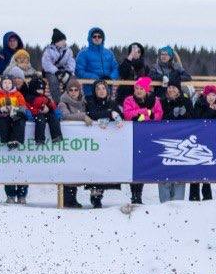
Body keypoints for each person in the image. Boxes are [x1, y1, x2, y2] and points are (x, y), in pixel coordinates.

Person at [122, 76, 162, 205]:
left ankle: (138, 194)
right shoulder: (129, 99)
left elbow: (158, 115)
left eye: (141, 88)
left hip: (148, 136)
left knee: (142, 165)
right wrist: (146, 112)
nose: (138, 91)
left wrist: (140, 116)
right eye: (136, 88)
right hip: (132, 136)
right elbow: (128, 115)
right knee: (134, 164)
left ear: (146, 90)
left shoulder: (155, 100)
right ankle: (134, 195)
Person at [84, 79, 123, 208]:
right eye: (98, 89)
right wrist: (109, 114)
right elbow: (92, 114)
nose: (101, 91)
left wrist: (111, 115)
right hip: (94, 142)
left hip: (109, 143)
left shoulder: (112, 102)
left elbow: (120, 115)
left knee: (106, 167)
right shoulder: (90, 101)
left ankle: (100, 194)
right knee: (94, 167)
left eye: (103, 88)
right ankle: (94, 194)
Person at [55, 77, 90, 208]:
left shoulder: (83, 102)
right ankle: (65, 199)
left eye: (76, 90)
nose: (74, 92)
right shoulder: (63, 103)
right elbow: (65, 116)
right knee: (67, 170)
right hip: (67, 140)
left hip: (80, 141)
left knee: (76, 169)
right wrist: (82, 116)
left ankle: (72, 198)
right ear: (67, 91)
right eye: (71, 90)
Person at [0, 74, 29, 148]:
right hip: (3, 114)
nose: (7, 85)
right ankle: (6, 139)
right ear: (2, 84)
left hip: (15, 113)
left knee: (19, 121)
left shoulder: (17, 94)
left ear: (12, 84)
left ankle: (16, 140)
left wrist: (16, 110)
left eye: (9, 83)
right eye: (5, 83)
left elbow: (23, 105)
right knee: (2, 122)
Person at [40, 28, 75, 101]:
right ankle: (58, 101)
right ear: (56, 42)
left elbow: (71, 61)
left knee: (71, 80)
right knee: (53, 80)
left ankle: (68, 99)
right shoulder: (49, 51)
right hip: (50, 71)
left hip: (63, 70)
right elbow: (46, 63)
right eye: (61, 40)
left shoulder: (68, 50)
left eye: (64, 40)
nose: (64, 42)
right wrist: (56, 71)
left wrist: (68, 72)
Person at [26, 77, 62, 145]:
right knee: (40, 120)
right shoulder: (30, 97)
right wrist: (44, 105)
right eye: (38, 89)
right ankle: (39, 139)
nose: (41, 91)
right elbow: (37, 102)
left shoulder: (45, 97)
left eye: (42, 89)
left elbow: (53, 106)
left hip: (45, 114)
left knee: (53, 118)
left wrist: (50, 106)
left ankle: (57, 136)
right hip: (35, 115)